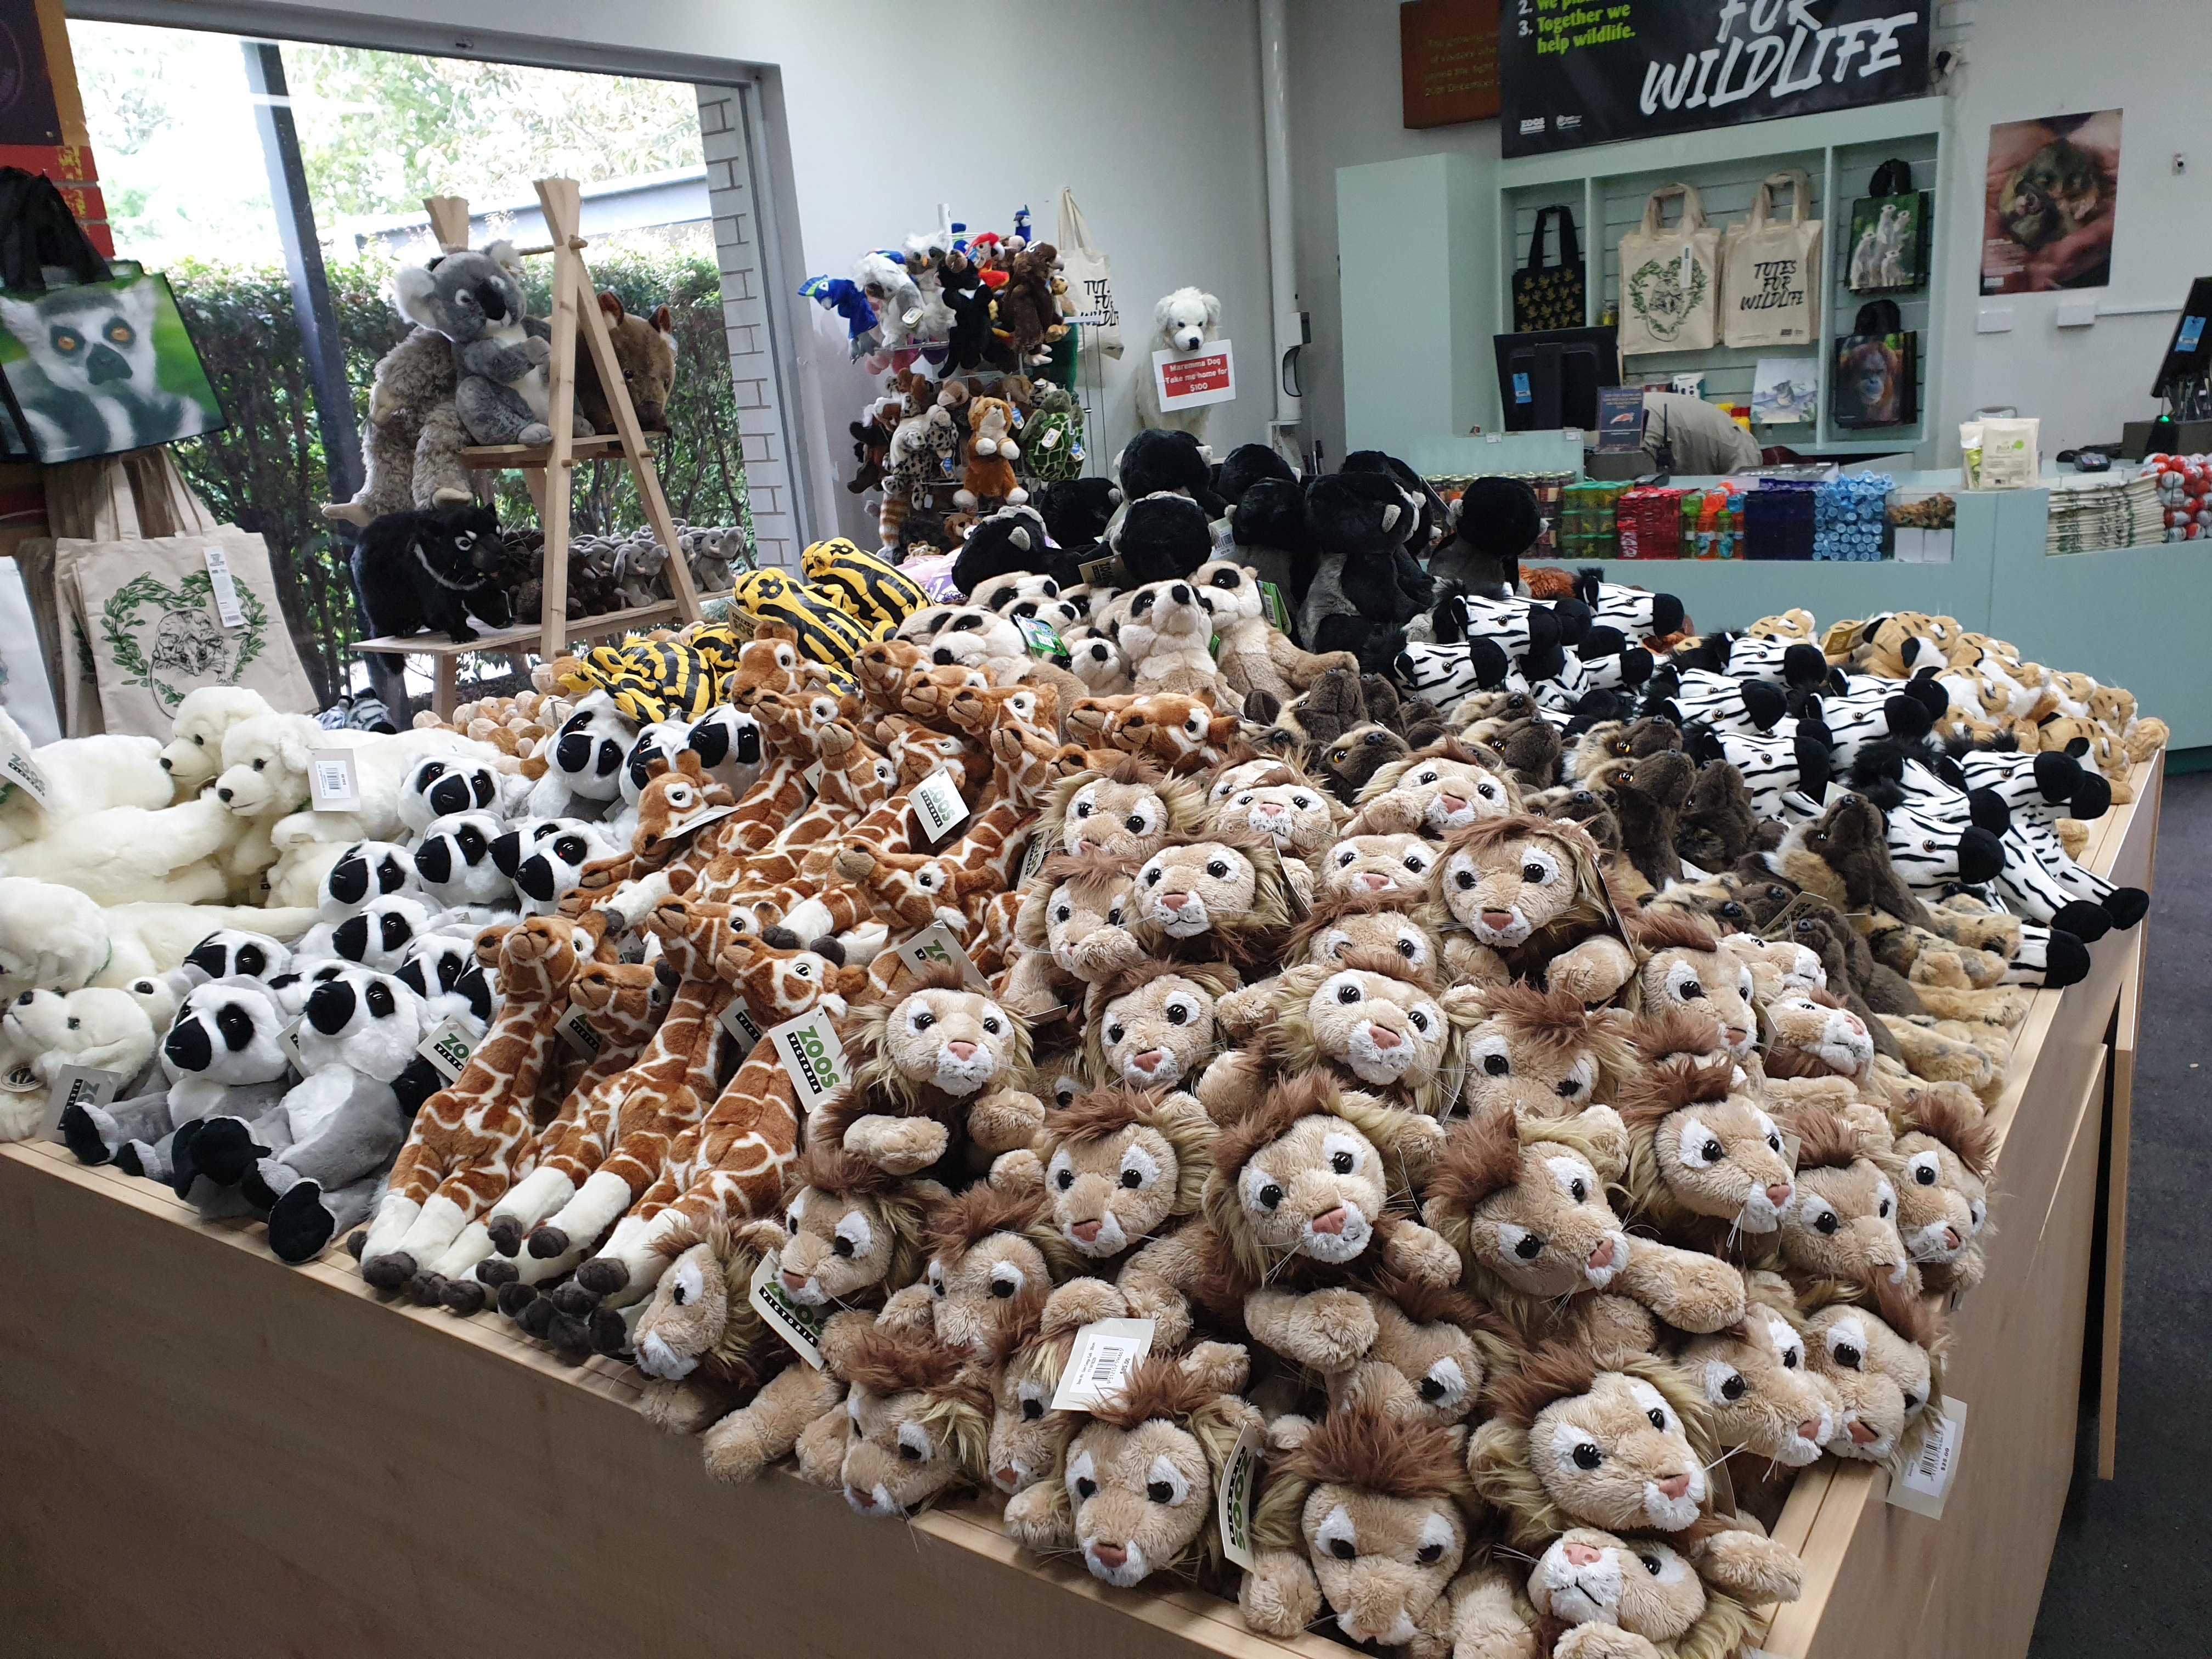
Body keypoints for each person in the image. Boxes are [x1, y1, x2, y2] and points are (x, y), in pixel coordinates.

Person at [1640, 390, 1759, 475]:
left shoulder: (1643, 423)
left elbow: (1642, 483)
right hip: (1706, 443)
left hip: (1736, 448)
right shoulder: (1639, 411)